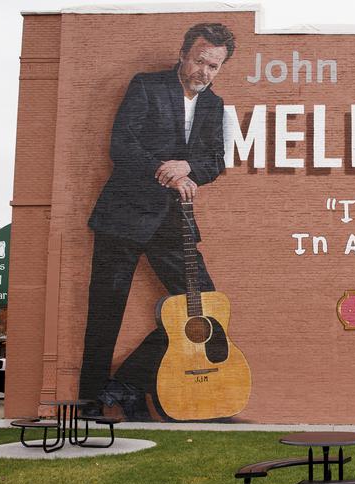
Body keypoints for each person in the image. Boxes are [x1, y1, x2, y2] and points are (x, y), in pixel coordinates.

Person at [79, 23, 236, 419]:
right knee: (105, 311)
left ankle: (127, 382)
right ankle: (90, 402)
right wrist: (166, 172)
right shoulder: (147, 86)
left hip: (173, 223)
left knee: (207, 311)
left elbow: (215, 159)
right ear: (184, 54)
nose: (205, 71)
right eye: (200, 61)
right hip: (124, 215)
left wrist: (189, 167)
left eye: (214, 66)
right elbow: (123, 143)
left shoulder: (214, 105)